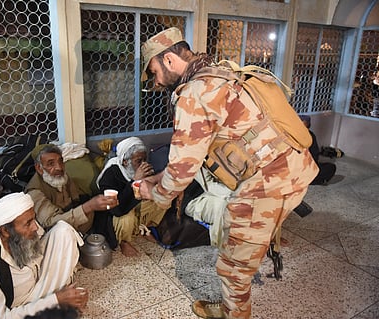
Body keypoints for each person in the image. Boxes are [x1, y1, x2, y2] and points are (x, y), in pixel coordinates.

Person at [139, 27, 319, 319]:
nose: (157, 82)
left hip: (267, 184)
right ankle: (232, 300)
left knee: (232, 268)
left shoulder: (194, 93)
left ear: (169, 60)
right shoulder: (221, 73)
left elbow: (182, 171)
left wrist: (155, 193)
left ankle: (232, 313)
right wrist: (165, 177)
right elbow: (196, 157)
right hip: (295, 169)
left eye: (154, 71)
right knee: (238, 243)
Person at [0, 192, 89, 319]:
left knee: (63, 231)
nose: (35, 227)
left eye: (34, 218)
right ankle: (60, 303)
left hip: (36, 281)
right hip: (16, 306)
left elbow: (40, 252)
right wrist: (56, 299)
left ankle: (61, 301)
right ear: (5, 231)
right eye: (28, 223)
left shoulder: (27, 228)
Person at [95, 137, 167, 256]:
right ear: (125, 162)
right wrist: (134, 181)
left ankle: (144, 229)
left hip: (134, 207)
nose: (143, 164)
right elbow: (116, 210)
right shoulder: (110, 176)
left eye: (145, 160)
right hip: (115, 215)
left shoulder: (144, 170)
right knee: (126, 217)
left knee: (161, 199)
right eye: (139, 161)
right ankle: (124, 241)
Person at [25, 144, 117, 234]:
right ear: (39, 168)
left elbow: (76, 199)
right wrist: (88, 206)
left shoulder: (62, 177)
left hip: (72, 220)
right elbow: (51, 223)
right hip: (58, 233)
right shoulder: (35, 192)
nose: (59, 167)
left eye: (60, 161)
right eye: (51, 164)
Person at [299, 115, 337, 185]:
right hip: (296, 169)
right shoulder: (291, 136)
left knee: (331, 167)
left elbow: (314, 155)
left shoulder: (311, 136)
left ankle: (306, 179)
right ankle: (310, 180)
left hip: (306, 168)